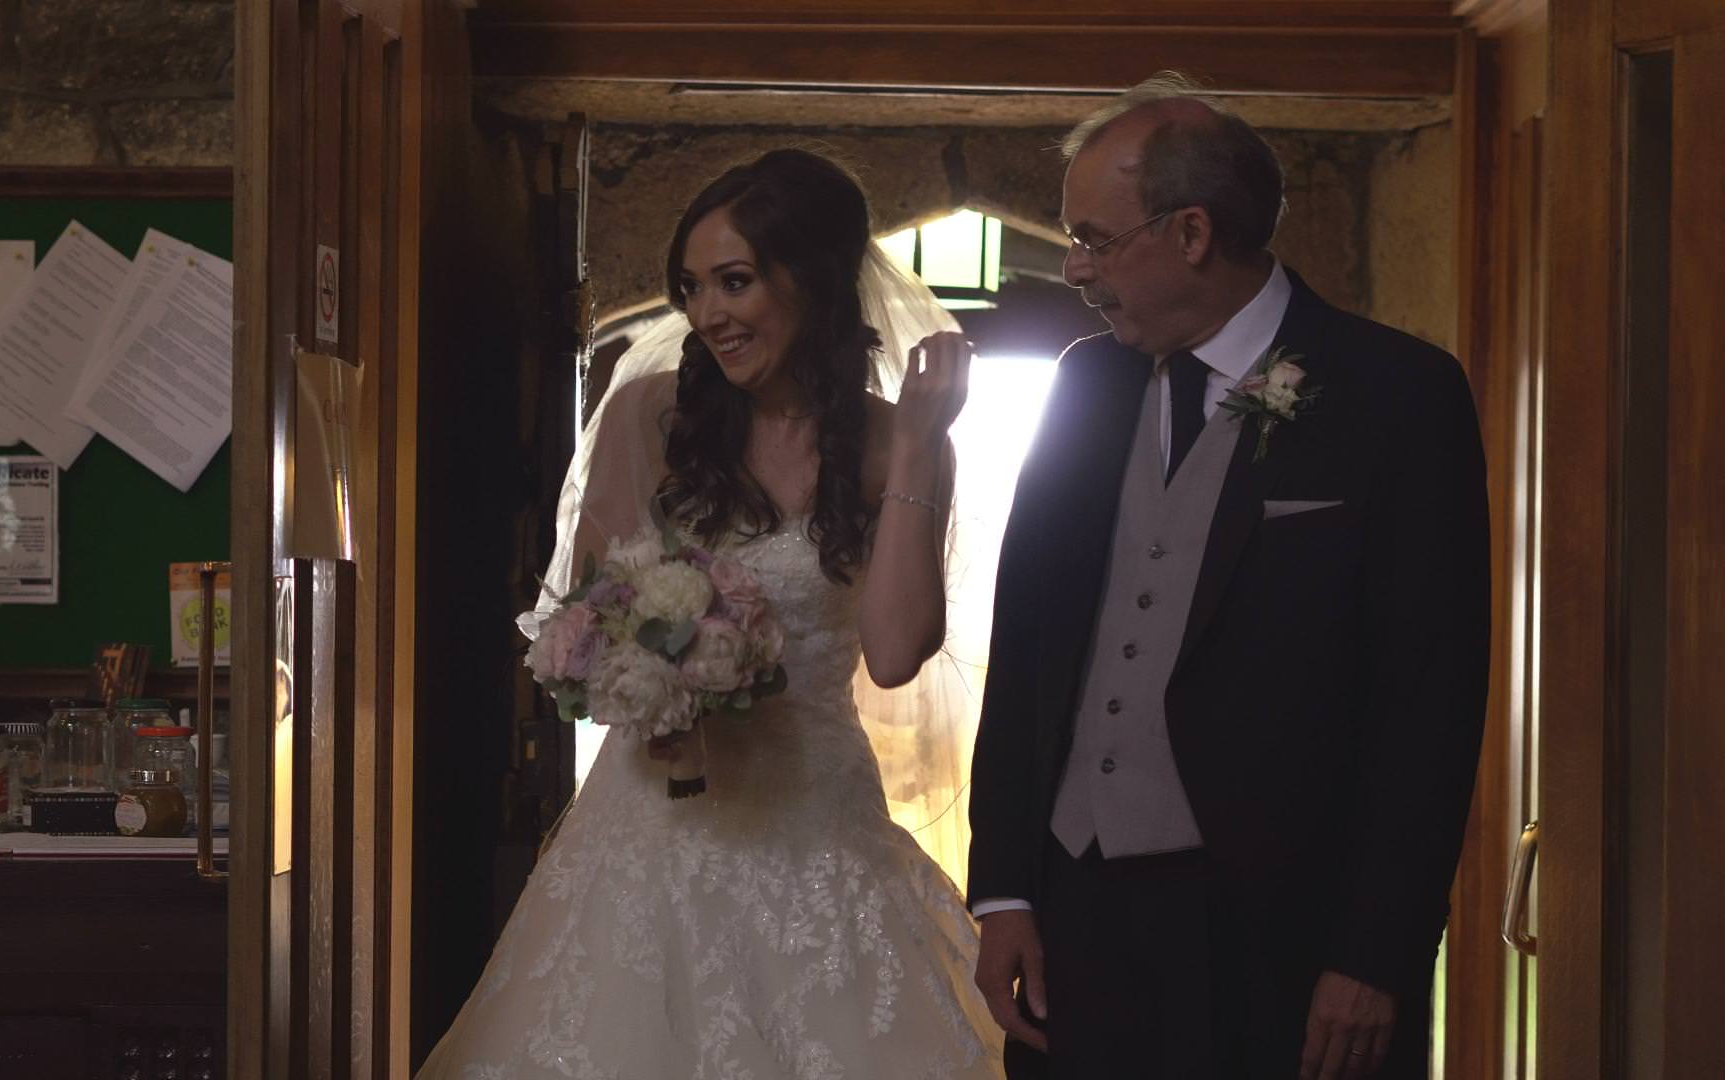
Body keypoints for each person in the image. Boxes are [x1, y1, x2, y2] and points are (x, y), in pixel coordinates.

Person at [417, 148, 1007, 1079]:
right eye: (692, 289)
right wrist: (654, 678)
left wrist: (928, 446)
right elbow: (587, 625)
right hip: (652, 828)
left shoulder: (898, 439)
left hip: (817, 824)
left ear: (811, 280)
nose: (709, 315)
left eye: (735, 282)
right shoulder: (649, 417)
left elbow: (895, 652)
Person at [966, 73, 1490, 1080]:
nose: (1076, 269)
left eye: (1096, 238)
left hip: (1286, 940)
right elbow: (1027, 643)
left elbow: (1428, 704)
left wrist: (1374, 955)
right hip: (1079, 925)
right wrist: (1005, 893)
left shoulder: (1398, 396)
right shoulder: (1086, 382)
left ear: (1194, 233)